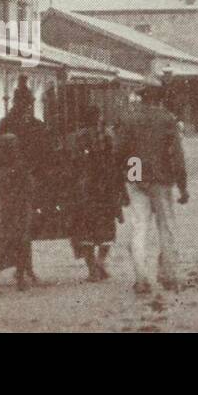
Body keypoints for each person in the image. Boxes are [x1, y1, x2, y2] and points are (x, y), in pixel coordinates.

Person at [116, 86, 188, 294]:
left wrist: (128, 177)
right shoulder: (167, 119)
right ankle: (170, 276)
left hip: (136, 174)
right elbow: (177, 155)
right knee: (166, 227)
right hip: (161, 177)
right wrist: (182, 186)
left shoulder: (129, 118)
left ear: (141, 97)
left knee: (139, 226)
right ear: (159, 98)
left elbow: (120, 152)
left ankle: (141, 279)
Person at [0, 81, 48, 287]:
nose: (25, 106)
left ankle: (24, 267)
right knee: (21, 225)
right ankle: (22, 268)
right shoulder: (18, 124)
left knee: (21, 225)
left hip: (20, 180)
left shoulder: (14, 123)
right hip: (19, 180)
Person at [68, 106, 124, 282]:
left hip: (84, 188)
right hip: (106, 187)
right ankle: (101, 261)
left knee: (84, 230)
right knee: (106, 226)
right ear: (99, 117)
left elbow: (72, 161)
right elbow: (117, 160)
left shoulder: (77, 137)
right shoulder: (108, 135)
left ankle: (92, 269)